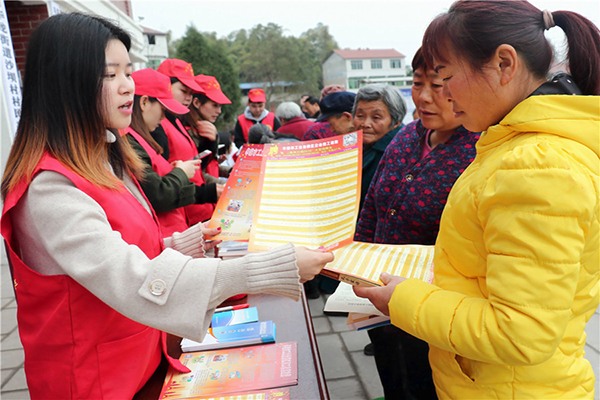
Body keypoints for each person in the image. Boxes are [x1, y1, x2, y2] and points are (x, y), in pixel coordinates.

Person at [0, 13, 334, 399]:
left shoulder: (104, 158)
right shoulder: (50, 187)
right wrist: (275, 268)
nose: (128, 87)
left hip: (140, 360)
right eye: (111, 75)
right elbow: (132, 279)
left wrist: (186, 244)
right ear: (66, 83)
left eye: (129, 71)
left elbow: (125, 252)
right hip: (96, 382)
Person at [355, 2, 600, 399]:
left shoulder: (537, 165)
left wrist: (403, 298)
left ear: (504, 64)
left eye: (446, 76)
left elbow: (521, 333)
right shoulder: (511, 146)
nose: (442, 94)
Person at [355, 47, 480, 399]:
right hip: (379, 299)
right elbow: (373, 207)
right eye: (417, 83)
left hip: (434, 310)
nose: (423, 97)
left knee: (424, 385)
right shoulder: (407, 136)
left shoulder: (480, 149)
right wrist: (353, 269)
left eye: (438, 85)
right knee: (392, 376)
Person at [124, 68, 217, 240]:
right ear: (144, 103)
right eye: (162, 109)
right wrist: (180, 173)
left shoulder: (142, 137)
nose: (163, 117)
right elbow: (157, 194)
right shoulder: (130, 141)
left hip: (176, 233)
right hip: (165, 239)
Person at [156, 59, 219, 226]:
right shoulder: (159, 126)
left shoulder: (176, 121)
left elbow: (194, 166)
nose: (188, 99)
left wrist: (210, 145)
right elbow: (162, 184)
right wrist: (210, 192)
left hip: (197, 213)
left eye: (191, 93)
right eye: (184, 91)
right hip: (182, 218)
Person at [183, 74, 232, 185]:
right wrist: (225, 187)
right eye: (215, 105)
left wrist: (229, 171)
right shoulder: (188, 132)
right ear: (196, 103)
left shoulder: (204, 128)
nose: (219, 111)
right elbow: (196, 172)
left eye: (220, 106)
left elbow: (207, 168)